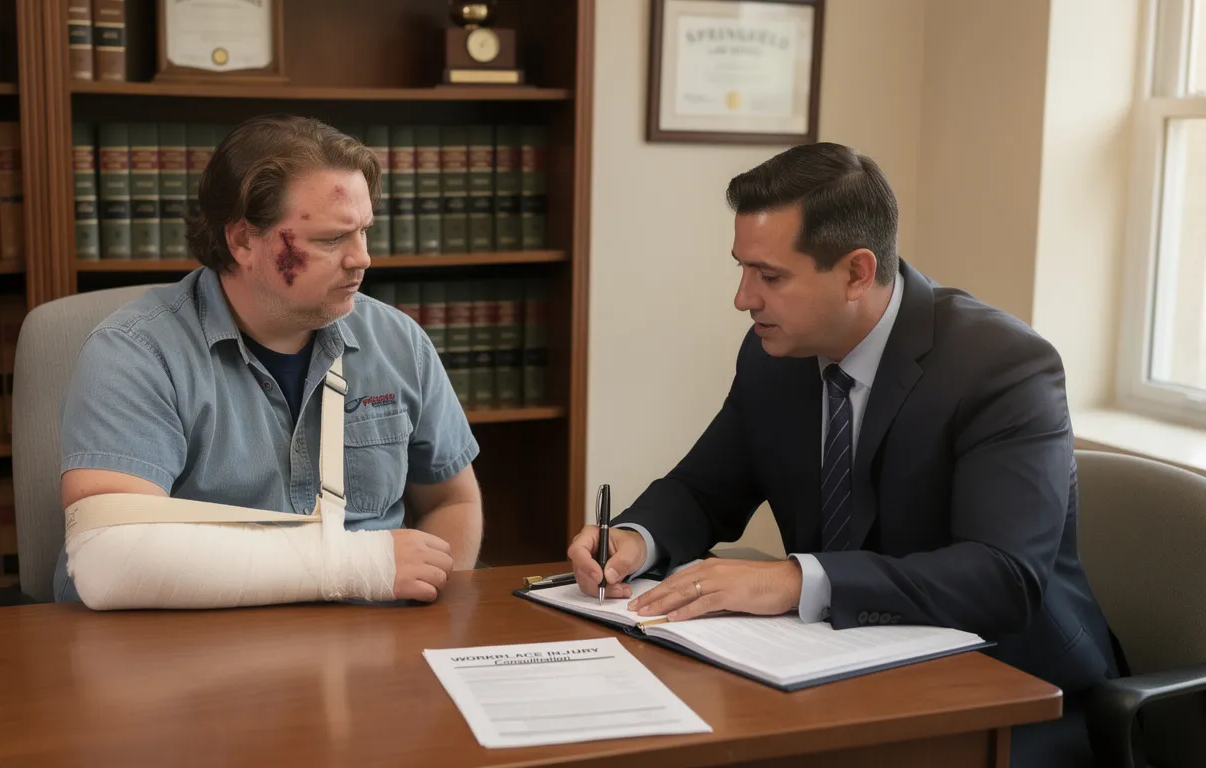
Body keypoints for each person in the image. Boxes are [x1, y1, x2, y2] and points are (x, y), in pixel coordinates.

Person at [567, 142, 1118, 766]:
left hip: (1011, 694)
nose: (743, 298)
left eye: (770, 276)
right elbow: (704, 489)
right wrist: (636, 539)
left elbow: (1002, 577)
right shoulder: (774, 355)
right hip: (839, 673)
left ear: (857, 272)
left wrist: (793, 579)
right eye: (742, 269)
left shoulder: (1002, 366)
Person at [54, 114, 481, 607]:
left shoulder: (398, 341)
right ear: (242, 241)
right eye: (330, 239)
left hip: (376, 639)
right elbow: (111, 558)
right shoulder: (133, 353)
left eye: (364, 231)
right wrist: (363, 566)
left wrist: (433, 607)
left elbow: (452, 499)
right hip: (199, 647)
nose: (362, 258)